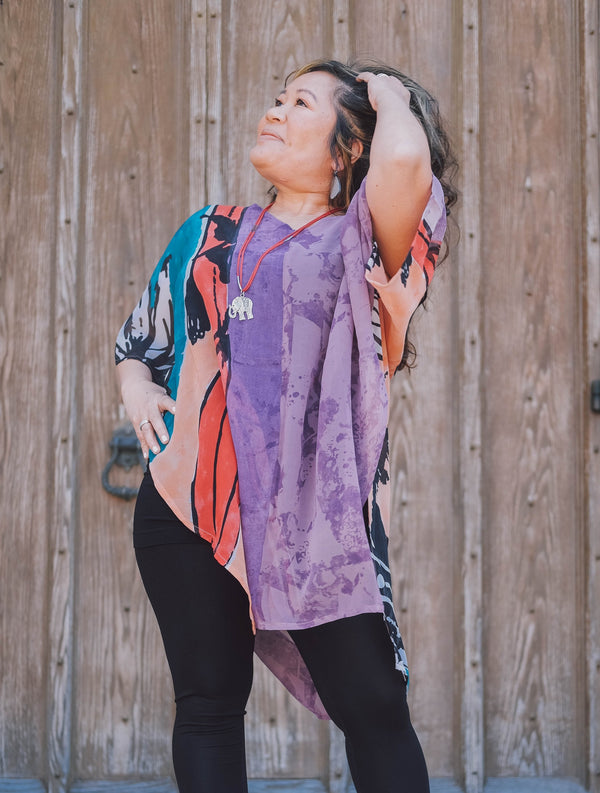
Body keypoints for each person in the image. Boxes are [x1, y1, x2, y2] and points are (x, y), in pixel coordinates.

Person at [115, 58, 456, 793]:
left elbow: (401, 156)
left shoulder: (366, 240)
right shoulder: (209, 231)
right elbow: (141, 341)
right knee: (208, 704)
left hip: (321, 521)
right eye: (276, 98)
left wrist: (387, 94)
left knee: (374, 706)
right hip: (189, 503)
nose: (275, 111)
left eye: (301, 103)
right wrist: (137, 392)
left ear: (344, 153)